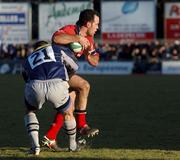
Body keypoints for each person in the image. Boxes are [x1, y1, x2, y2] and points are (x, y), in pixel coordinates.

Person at [42, 9, 100, 150]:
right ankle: (82, 126)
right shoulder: (70, 29)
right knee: (84, 86)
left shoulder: (90, 40)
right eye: (96, 24)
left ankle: (50, 137)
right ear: (88, 23)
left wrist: (89, 55)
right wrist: (77, 38)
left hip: (65, 73)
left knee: (69, 106)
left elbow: (95, 61)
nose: (98, 27)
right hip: (54, 71)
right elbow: (56, 38)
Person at [23, 41, 80, 155]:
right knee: (68, 113)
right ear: (47, 45)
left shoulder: (29, 58)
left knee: (30, 111)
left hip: (35, 85)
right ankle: (72, 146)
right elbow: (74, 66)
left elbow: (25, 76)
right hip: (57, 83)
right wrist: (66, 76)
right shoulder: (56, 49)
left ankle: (35, 147)